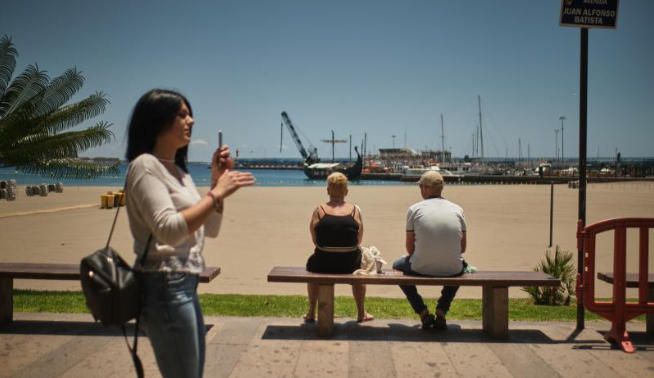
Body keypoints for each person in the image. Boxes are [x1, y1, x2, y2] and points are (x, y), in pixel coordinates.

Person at [125, 89, 255, 377]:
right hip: (164, 283)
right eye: (181, 114)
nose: (191, 120)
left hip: (186, 282)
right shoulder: (145, 167)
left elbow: (210, 229)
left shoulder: (180, 172)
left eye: (190, 113)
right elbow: (169, 231)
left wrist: (215, 185)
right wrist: (217, 193)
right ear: (157, 121)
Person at [392, 171, 467, 330]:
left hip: (420, 267)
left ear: (425, 189)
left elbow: (410, 249)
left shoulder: (414, 209)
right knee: (459, 265)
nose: (420, 190)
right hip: (452, 269)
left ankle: (422, 311)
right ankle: (442, 309)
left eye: (420, 186)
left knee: (396, 266)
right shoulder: (457, 209)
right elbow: (462, 248)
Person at [305, 172, 373, 323]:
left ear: (328, 191)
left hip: (323, 264)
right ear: (346, 191)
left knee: (312, 264)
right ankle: (361, 312)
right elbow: (358, 240)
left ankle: (311, 311)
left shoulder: (319, 210)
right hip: (349, 264)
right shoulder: (355, 211)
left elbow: (315, 240)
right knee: (359, 269)